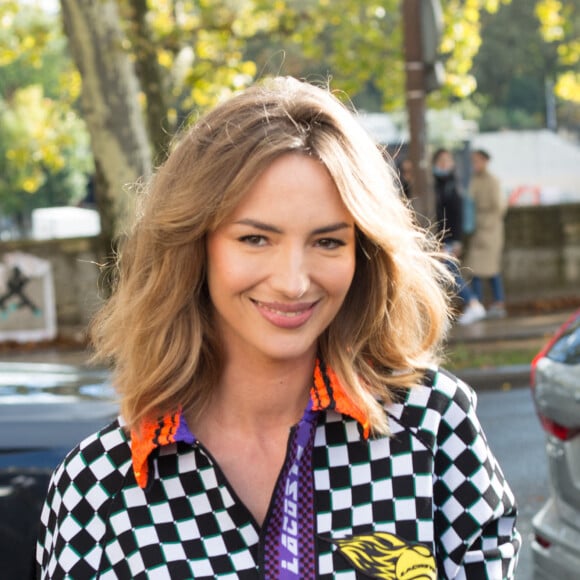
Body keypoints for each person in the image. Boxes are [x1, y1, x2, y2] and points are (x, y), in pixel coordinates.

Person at [36, 77, 520, 579]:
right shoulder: (98, 488)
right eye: (255, 239)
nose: (293, 282)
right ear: (194, 248)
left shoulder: (432, 427)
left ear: (365, 253)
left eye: (328, 242)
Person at [432, 147, 486, 325]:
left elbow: (456, 216)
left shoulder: (452, 186)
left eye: (447, 161)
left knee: (450, 273)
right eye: (441, 161)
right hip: (439, 238)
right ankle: (447, 313)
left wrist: (456, 241)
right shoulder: (436, 185)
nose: (444, 164)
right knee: (443, 275)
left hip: (447, 239)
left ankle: (472, 303)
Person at [465, 148, 508, 318]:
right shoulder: (475, 179)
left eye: (477, 161)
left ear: (484, 161)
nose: (474, 164)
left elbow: (500, 206)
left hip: (490, 230)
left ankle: (498, 302)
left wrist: (487, 223)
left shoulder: (493, 181)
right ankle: (479, 302)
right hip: (479, 228)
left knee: (490, 268)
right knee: (475, 268)